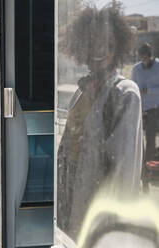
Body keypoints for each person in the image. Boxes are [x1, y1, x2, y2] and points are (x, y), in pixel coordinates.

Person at [57, 3, 143, 242]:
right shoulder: (82, 91)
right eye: (93, 42)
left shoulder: (124, 94)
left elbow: (124, 174)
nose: (100, 50)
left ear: (118, 47)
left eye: (108, 43)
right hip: (74, 210)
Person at [131, 43, 159, 190]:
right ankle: (141, 171)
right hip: (140, 109)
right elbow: (132, 86)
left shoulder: (158, 66)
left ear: (150, 55)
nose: (144, 59)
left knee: (150, 142)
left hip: (154, 109)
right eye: (141, 57)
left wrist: (149, 90)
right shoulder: (136, 69)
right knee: (138, 141)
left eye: (146, 56)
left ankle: (149, 172)